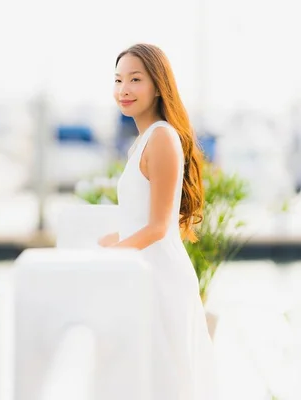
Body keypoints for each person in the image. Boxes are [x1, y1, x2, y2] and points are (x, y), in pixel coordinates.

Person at [98, 43, 217, 399]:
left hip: (161, 278)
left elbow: (159, 226)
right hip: (147, 274)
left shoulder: (162, 136)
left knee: (166, 383)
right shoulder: (143, 141)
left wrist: (112, 253)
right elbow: (140, 219)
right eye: (119, 80)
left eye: (135, 79)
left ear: (158, 85)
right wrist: (108, 238)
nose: (124, 90)